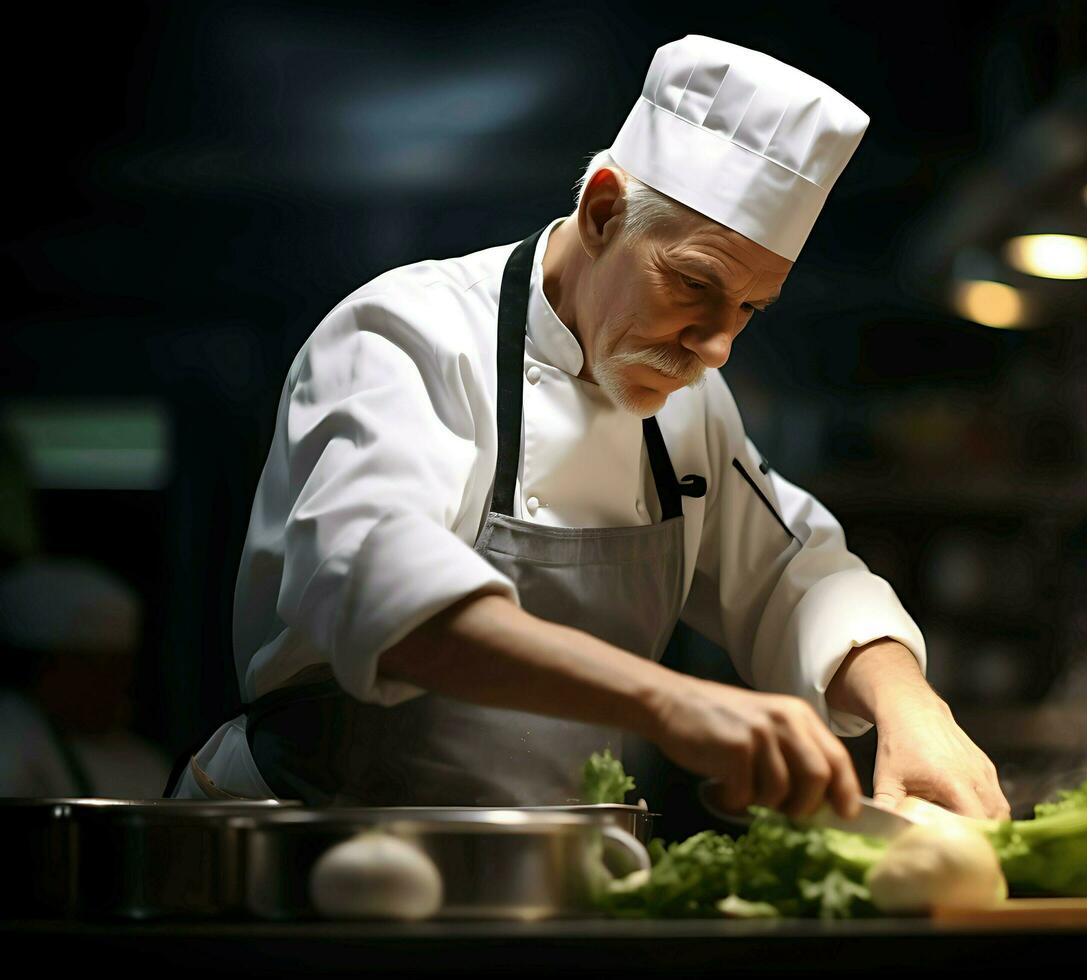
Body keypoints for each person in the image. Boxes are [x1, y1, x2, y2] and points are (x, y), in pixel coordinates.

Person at [170, 35, 1010, 820]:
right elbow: (382, 591)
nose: (716, 347)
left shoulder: (687, 404)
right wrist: (675, 704)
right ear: (605, 211)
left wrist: (912, 704)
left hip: (540, 875)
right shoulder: (405, 335)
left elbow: (795, 570)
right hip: (305, 855)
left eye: (750, 309)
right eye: (694, 286)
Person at [0, 558, 172, 798]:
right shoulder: (12, 747)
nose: (120, 685)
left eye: (124, 669)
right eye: (102, 670)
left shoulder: (145, 762)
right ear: (48, 671)